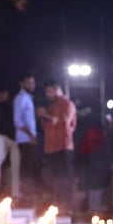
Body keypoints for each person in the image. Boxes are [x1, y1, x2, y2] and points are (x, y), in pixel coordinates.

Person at [41, 80, 77, 213]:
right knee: (54, 178)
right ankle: (57, 205)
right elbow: (46, 125)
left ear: (57, 89)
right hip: (51, 148)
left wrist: (46, 116)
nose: (48, 95)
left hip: (63, 146)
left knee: (65, 179)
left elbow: (63, 121)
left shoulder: (67, 104)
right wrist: (43, 118)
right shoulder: (51, 106)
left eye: (49, 91)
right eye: (46, 92)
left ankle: (68, 207)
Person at [0, 86, 20, 200]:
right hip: (2, 136)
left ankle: (16, 193)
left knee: (16, 166)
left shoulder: (15, 104)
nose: (1, 97)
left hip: (16, 139)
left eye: (3, 94)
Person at [14, 74, 39, 200]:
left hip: (30, 138)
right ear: (22, 84)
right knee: (26, 169)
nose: (31, 85)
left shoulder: (29, 98)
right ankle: (26, 196)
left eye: (33, 83)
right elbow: (18, 122)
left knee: (32, 168)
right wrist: (31, 136)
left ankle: (31, 195)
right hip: (25, 139)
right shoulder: (21, 98)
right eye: (28, 83)